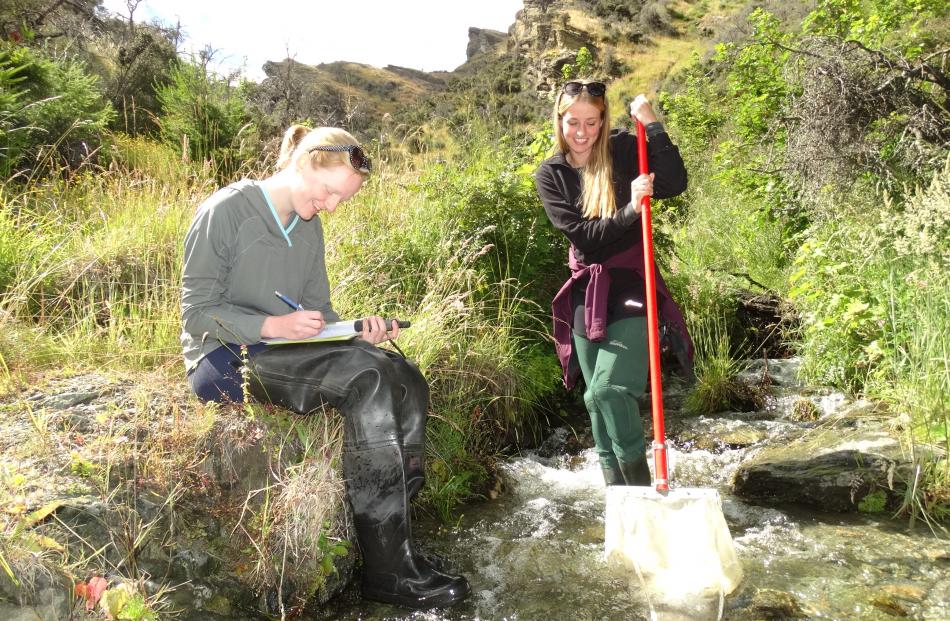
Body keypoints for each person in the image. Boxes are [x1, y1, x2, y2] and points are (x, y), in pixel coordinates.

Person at [180, 124, 469, 610]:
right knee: (369, 379)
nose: (332, 207)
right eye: (331, 193)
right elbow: (196, 315)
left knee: (400, 372)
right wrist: (274, 326)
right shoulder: (226, 211)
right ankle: (388, 574)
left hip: (280, 349)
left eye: (342, 200)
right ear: (306, 164)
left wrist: (355, 332)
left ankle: (397, 537)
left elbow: (318, 315)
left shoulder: (307, 227)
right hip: (224, 358)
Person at [534, 81, 692, 488]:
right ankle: (617, 501)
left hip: (633, 285)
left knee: (608, 390)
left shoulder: (624, 149)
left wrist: (652, 125)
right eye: (573, 122)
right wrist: (630, 208)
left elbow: (674, 183)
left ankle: (640, 494)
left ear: (603, 121)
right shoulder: (552, 173)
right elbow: (583, 236)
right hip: (587, 290)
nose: (582, 131)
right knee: (592, 401)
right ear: (560, 121)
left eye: (591, 121)